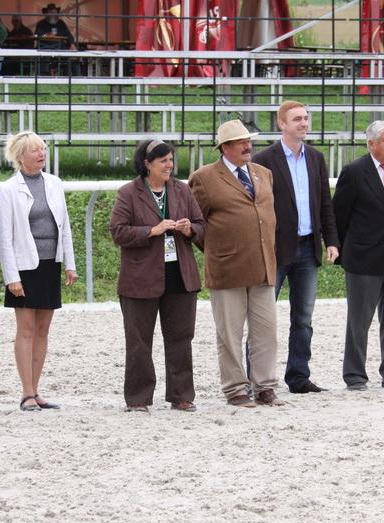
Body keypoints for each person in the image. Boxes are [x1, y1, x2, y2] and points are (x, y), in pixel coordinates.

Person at [188, 119, 284, 408]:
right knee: (230, 333)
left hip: (263, 265)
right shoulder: (204, 178)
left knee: (266, 331)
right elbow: (197, 223)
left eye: (248, 141)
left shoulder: (263, 174)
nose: (247, 146)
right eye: (241, 142)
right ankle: (235, 389)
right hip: (227, 269)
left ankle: (265, 386)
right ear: (225, 147)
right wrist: (219, 250)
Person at [109, 140, 206, 413]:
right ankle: (138, 398)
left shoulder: (182, 190)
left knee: (181, 338)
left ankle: (181, 395)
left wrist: (189, 229)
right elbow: (117, 231)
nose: (169, 165)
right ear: (147, 163)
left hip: (180, 276)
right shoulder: (128, 193)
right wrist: (151, 231)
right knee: (139, 341)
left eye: (171, 160)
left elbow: (202, 226)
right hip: (140, 278)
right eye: (163, 160)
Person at [252, 100, 339, 394]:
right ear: (282, 123)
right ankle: (256, 378)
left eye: (305, 118)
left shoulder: (315, 158)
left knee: (303, 318)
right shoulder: (264, 160)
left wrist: (331, 240)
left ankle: (299, 376)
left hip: (308, 248)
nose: (303, 123)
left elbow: (324, 203)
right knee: (263, 318)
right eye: (297, 119)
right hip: (274, 250)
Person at [0, 131, 77, 411]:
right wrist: (12, 277)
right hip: (24, 266)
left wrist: (69, 263)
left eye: (43, 149)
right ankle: (26, 392)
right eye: (35, 150)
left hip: (50, 263)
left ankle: (37, 389)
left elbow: (64, 226)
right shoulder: (8, 189)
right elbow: (3, 237)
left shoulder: (54, 183)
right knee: (26, 329)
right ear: (20, 156)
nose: (41, 154)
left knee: (43, 330)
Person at [332, 120, 384, 391]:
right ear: (372, 144)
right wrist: (342, 249)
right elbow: (339, 215)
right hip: (363, 259)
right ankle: (354, 374)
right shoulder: (354, 172)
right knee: (359, 321)